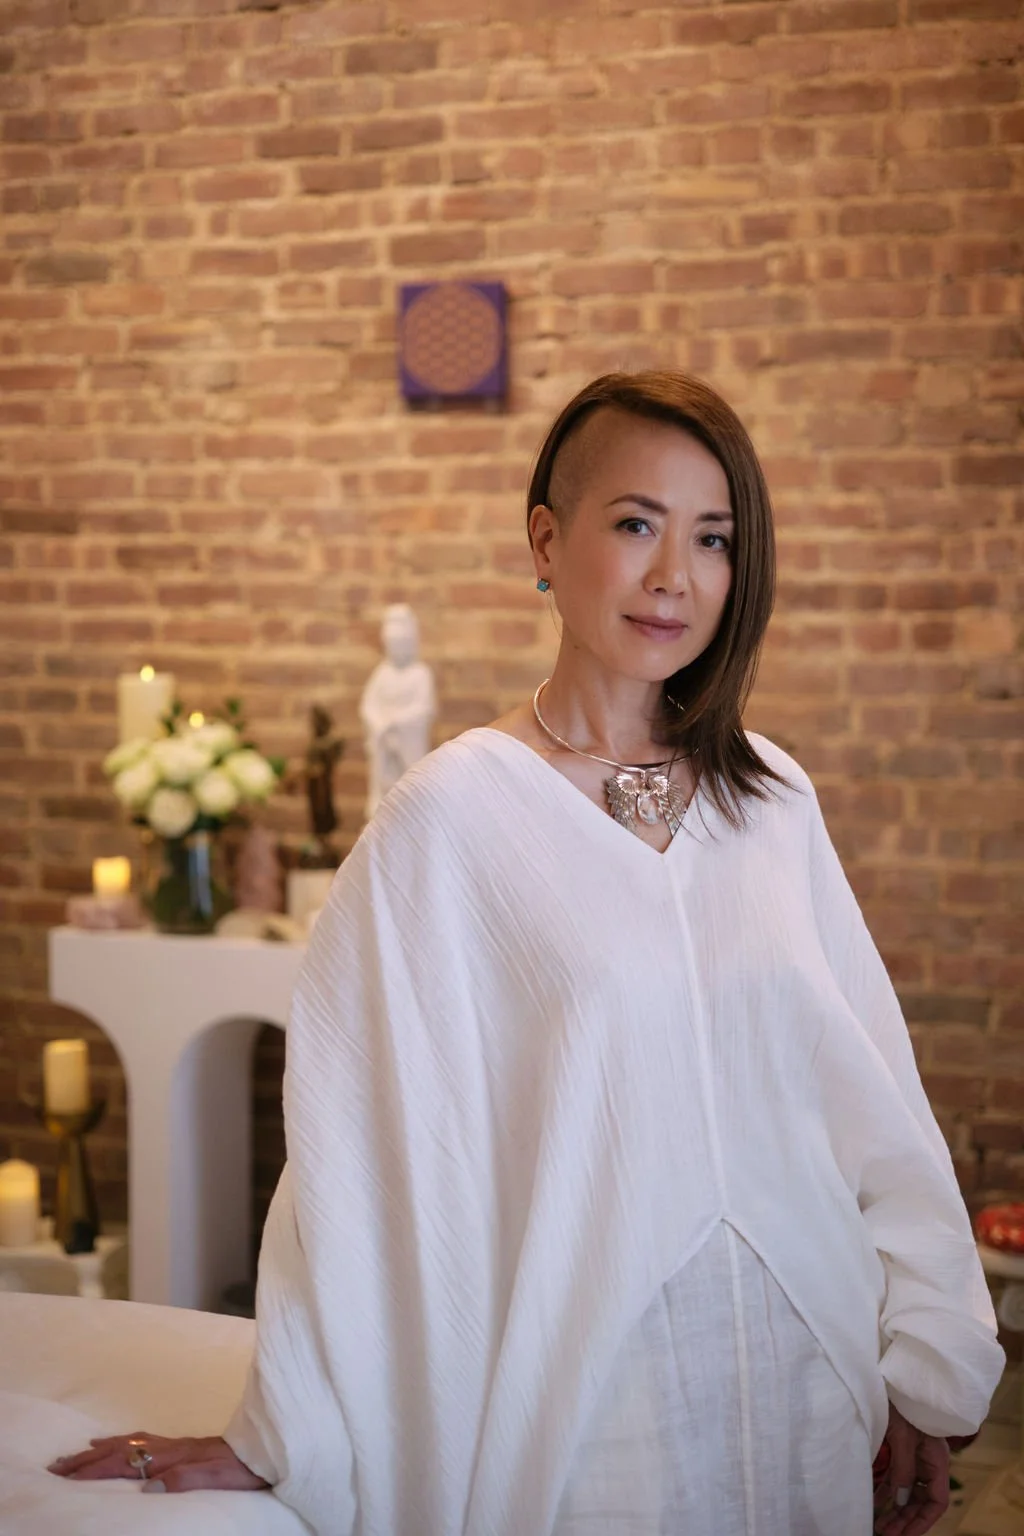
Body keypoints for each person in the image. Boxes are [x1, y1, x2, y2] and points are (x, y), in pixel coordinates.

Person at [50, 372, 1004, 1535]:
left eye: (713, 538)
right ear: (546, 541)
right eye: (637, 524)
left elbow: (873, 1097)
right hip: (594, 1410)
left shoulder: (774, 799)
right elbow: (359, 1145)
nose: (675, 577)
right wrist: (281, 1430)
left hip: (810, 1386)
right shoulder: (452, 816)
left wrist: (924, 1364)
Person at [359, 602, 437, 820]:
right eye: (393, 643)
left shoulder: (420, 674)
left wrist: (394, 723)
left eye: (402, 643)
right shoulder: (382, 674)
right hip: (384, 744)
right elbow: (368, 707)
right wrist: (379, 724)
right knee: (383, 797)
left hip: (406, 745)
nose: (397, 648)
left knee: (409, 790)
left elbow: (424, 709)